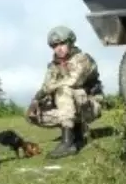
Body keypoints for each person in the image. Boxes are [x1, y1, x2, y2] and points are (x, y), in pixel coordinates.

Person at [26, 25, 103, 159]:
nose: (59, 48)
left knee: (63, 90)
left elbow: (73, 82)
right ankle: (76, 132)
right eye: (55, 45)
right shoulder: (53, 67)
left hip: (89, 106)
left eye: (62, 44)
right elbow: (45, 86)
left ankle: (67, 142)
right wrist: (36, 100)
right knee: (33, 113)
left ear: (70, 43)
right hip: (70, 109)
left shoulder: (82, 59)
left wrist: (49, 89)